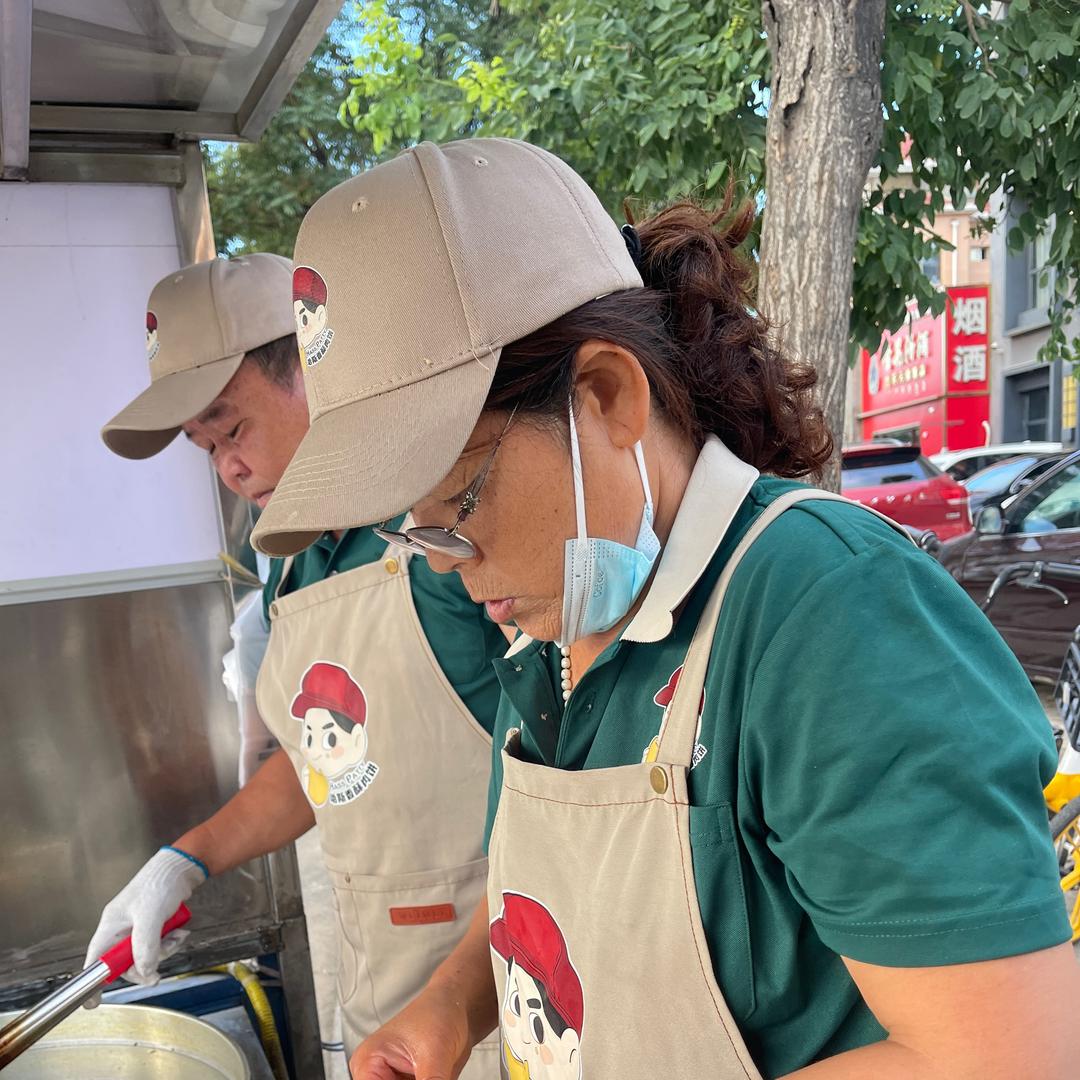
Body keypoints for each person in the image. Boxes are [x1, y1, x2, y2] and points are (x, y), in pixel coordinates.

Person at [251, 139, 1079, 1079]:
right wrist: (448, 1006)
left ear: (607, 395)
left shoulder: (829, 616)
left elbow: (1010, 1056)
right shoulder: (548, 628)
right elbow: (547, 895)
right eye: (417, 533)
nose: (449, 568)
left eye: (460, 503)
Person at [87, 253, 507, 1075]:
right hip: (379, 989)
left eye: (232, 427)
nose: (229, 470)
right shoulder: (286, 562)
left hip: (500, 1002)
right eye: (205, 448)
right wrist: (188, 856)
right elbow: (322, 761)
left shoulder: (436, 526)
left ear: (318, 372)